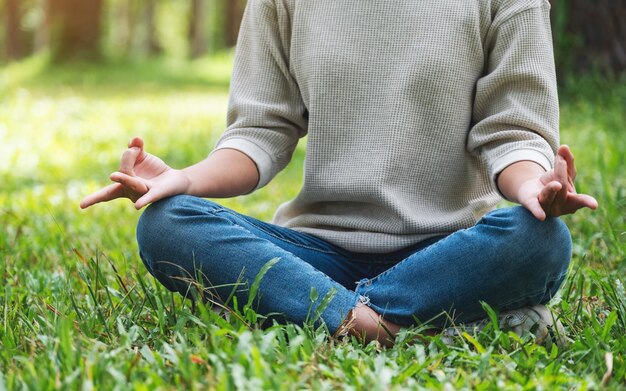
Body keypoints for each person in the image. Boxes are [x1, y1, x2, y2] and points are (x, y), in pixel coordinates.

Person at [81, 0, 598, 347]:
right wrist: (183, 180)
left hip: (449, 253)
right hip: (319, 254)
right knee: (166, 223)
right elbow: (260, 131)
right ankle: (410, 321)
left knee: (542, 239)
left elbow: (512, 131)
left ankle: (332, 316)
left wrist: (533, 184)